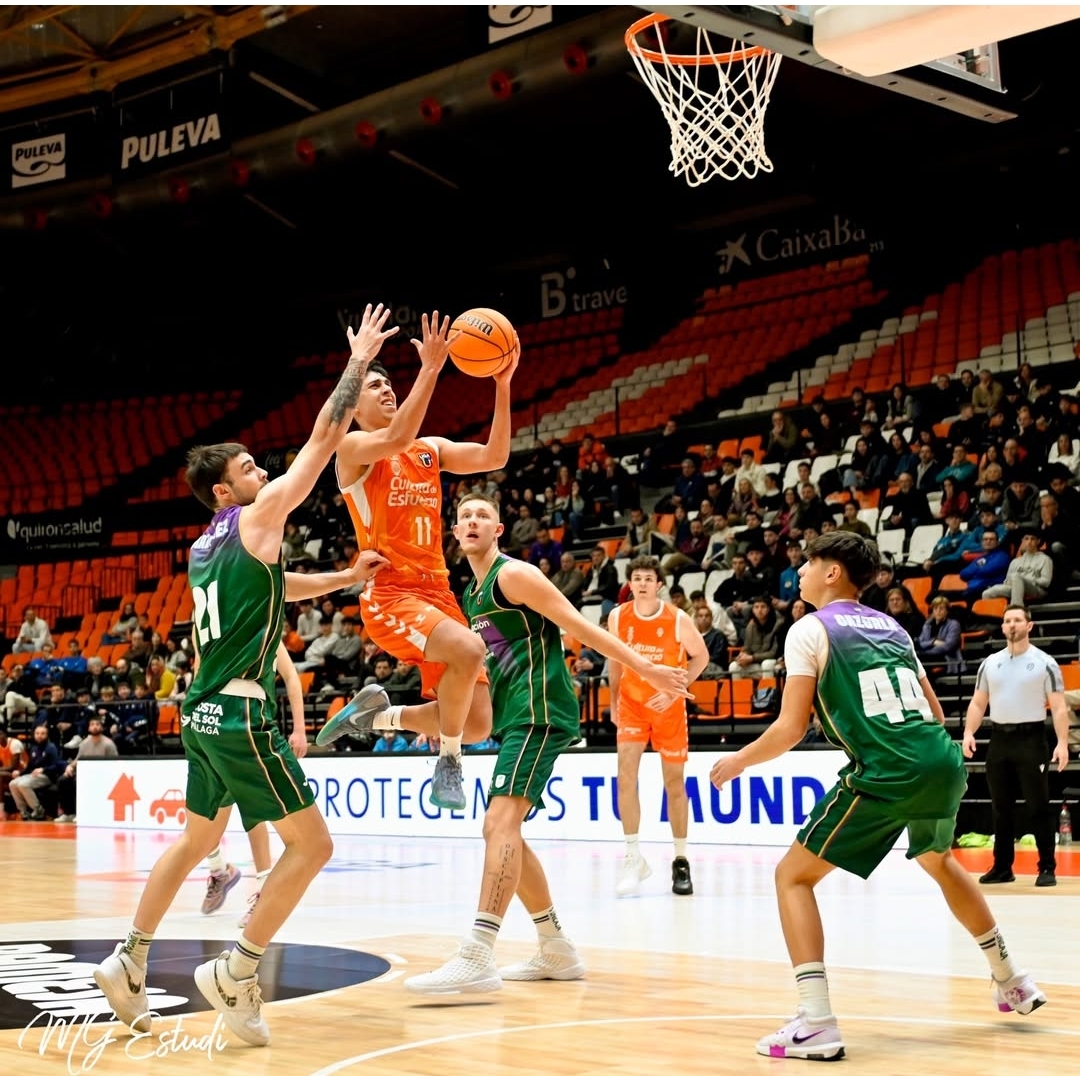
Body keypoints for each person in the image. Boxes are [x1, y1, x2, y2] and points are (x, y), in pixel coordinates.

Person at [91, 303, 398, 1047]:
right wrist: (355, 363)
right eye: (250, 468)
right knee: (313, 847)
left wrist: (342, 578)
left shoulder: (206, 545)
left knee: (197, 842)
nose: (264, 471)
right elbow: (326, 439)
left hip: (200, 714)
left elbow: (277, 587)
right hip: (238, 714)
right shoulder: (261, 518)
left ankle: (128, 961)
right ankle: (237, 968)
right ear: (225, 491)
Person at [709, 532, 1048, 1062]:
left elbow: (790, 727)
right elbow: (935, 714)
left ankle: (816, 1022)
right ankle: (1012, 979)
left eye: (809, 562)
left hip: (888, 769)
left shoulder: (808, 630)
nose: (798, 571)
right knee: (940, 861)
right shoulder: (893, 627)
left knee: (791, 876)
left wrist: (737, 760)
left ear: (833, 573)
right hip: (940, 760)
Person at [402, 494, 690, 994]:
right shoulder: (470, 596)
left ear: (499, 530)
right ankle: (555, 947)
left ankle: (477, 954)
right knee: (506, 832)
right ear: (454, 532)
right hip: (515, 716)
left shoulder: (514, 576)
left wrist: (645, 669)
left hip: (541, 710)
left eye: (482, 516)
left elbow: (580, 626)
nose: (472, 521)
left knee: (498, 823)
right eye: (464, 516)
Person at [316, 321, 520, 812]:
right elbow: (398, 433)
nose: (385, 387)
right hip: (391, 593)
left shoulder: (428, 450)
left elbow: (496, 454)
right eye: (374, 385)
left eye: (388, 382)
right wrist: (430, 367)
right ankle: (448, 762)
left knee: (478, 724)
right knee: (470, 651)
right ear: (355, 406)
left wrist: (501, 383)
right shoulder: (352, 450)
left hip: (438, 592)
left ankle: (378, 717)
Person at [607, 556, 709, 898]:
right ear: (630, 583)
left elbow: (702, 657)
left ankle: (680, 859)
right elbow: (615, 660)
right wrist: (612, 701)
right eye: (636, 578)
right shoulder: (618, 617)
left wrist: (675, 691)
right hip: (633, 706)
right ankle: (633, 855)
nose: (642, 583)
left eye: (648, 578)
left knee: (674, 784)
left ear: (659, 584)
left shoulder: (678, 619)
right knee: (625, 777)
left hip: (668, 709)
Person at [200, 637, 312, 927]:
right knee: (204, 819)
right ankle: (219, 869)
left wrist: (300, 729)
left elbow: (291, 676)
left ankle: (262, 891)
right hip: (215, 729)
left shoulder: (265, 628)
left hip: (250, 727)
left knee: (255, 813)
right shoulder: (210, 628)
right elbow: (198, 681)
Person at [962, 605, 1069, 888]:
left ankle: (1047, 867)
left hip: (1031, 739)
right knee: (1001, 807)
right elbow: (978, 702)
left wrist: (1062, 743)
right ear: (1002, 627)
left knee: (1038, 805)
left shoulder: (1045, 662)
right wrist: (969, 732)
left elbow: (1058, 708)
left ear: (1029, 626)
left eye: (1017, 620)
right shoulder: (990, 663)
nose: (1012, 624)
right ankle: (1002, 867)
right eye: (1007, 620)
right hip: (1000, 740)